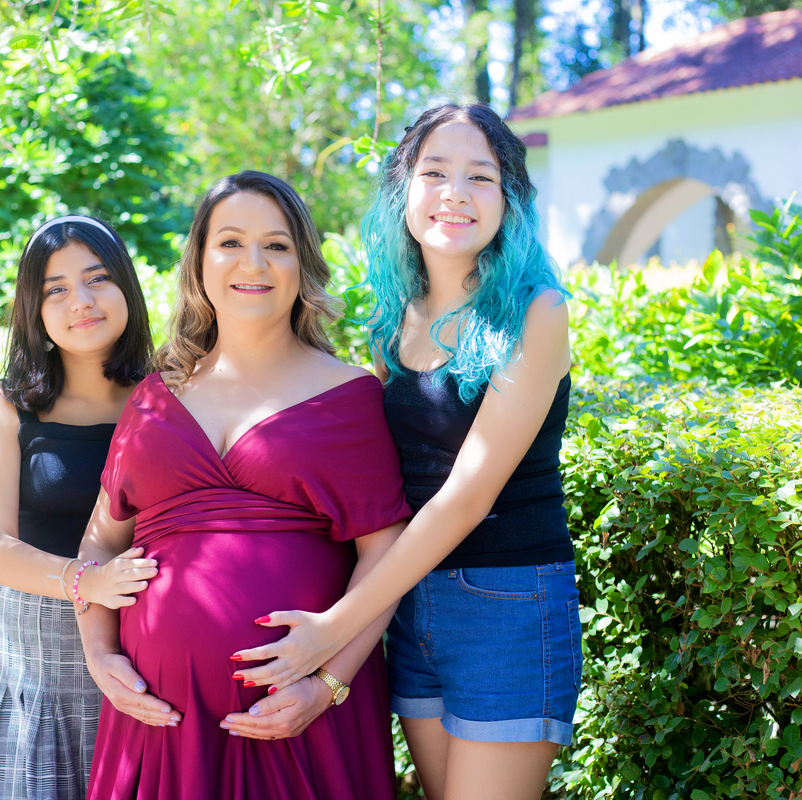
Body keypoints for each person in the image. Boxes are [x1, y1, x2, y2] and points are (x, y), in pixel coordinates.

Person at [229, 104, 581, 800]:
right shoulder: (393, 320)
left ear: (509, 197)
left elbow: (467, 497)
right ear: (403, 192)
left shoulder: (537, 312)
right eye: (435, 173)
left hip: (507, 603)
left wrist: (333, 628)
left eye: (480, 176)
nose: (455, 193)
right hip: (411, 602)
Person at [76, 171, 412, 800]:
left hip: (297, 715)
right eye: (229, 242)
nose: (252, 263)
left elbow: (387, 556)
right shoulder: (153, 397)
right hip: (159, 721)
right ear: (199, 262)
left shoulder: (352, 396)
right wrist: (99, 653)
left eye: (276, 245)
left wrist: (328, 684)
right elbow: (100, 544)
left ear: (302, 265)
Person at [0, 215, 163, 800]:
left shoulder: (172, 395)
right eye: (57, 288)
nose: (82, 301)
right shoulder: (4, 408)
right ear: (34, 309)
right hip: (39, 655)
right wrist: (87, 581)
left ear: (126, 288)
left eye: (97, 279)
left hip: (150, 648)